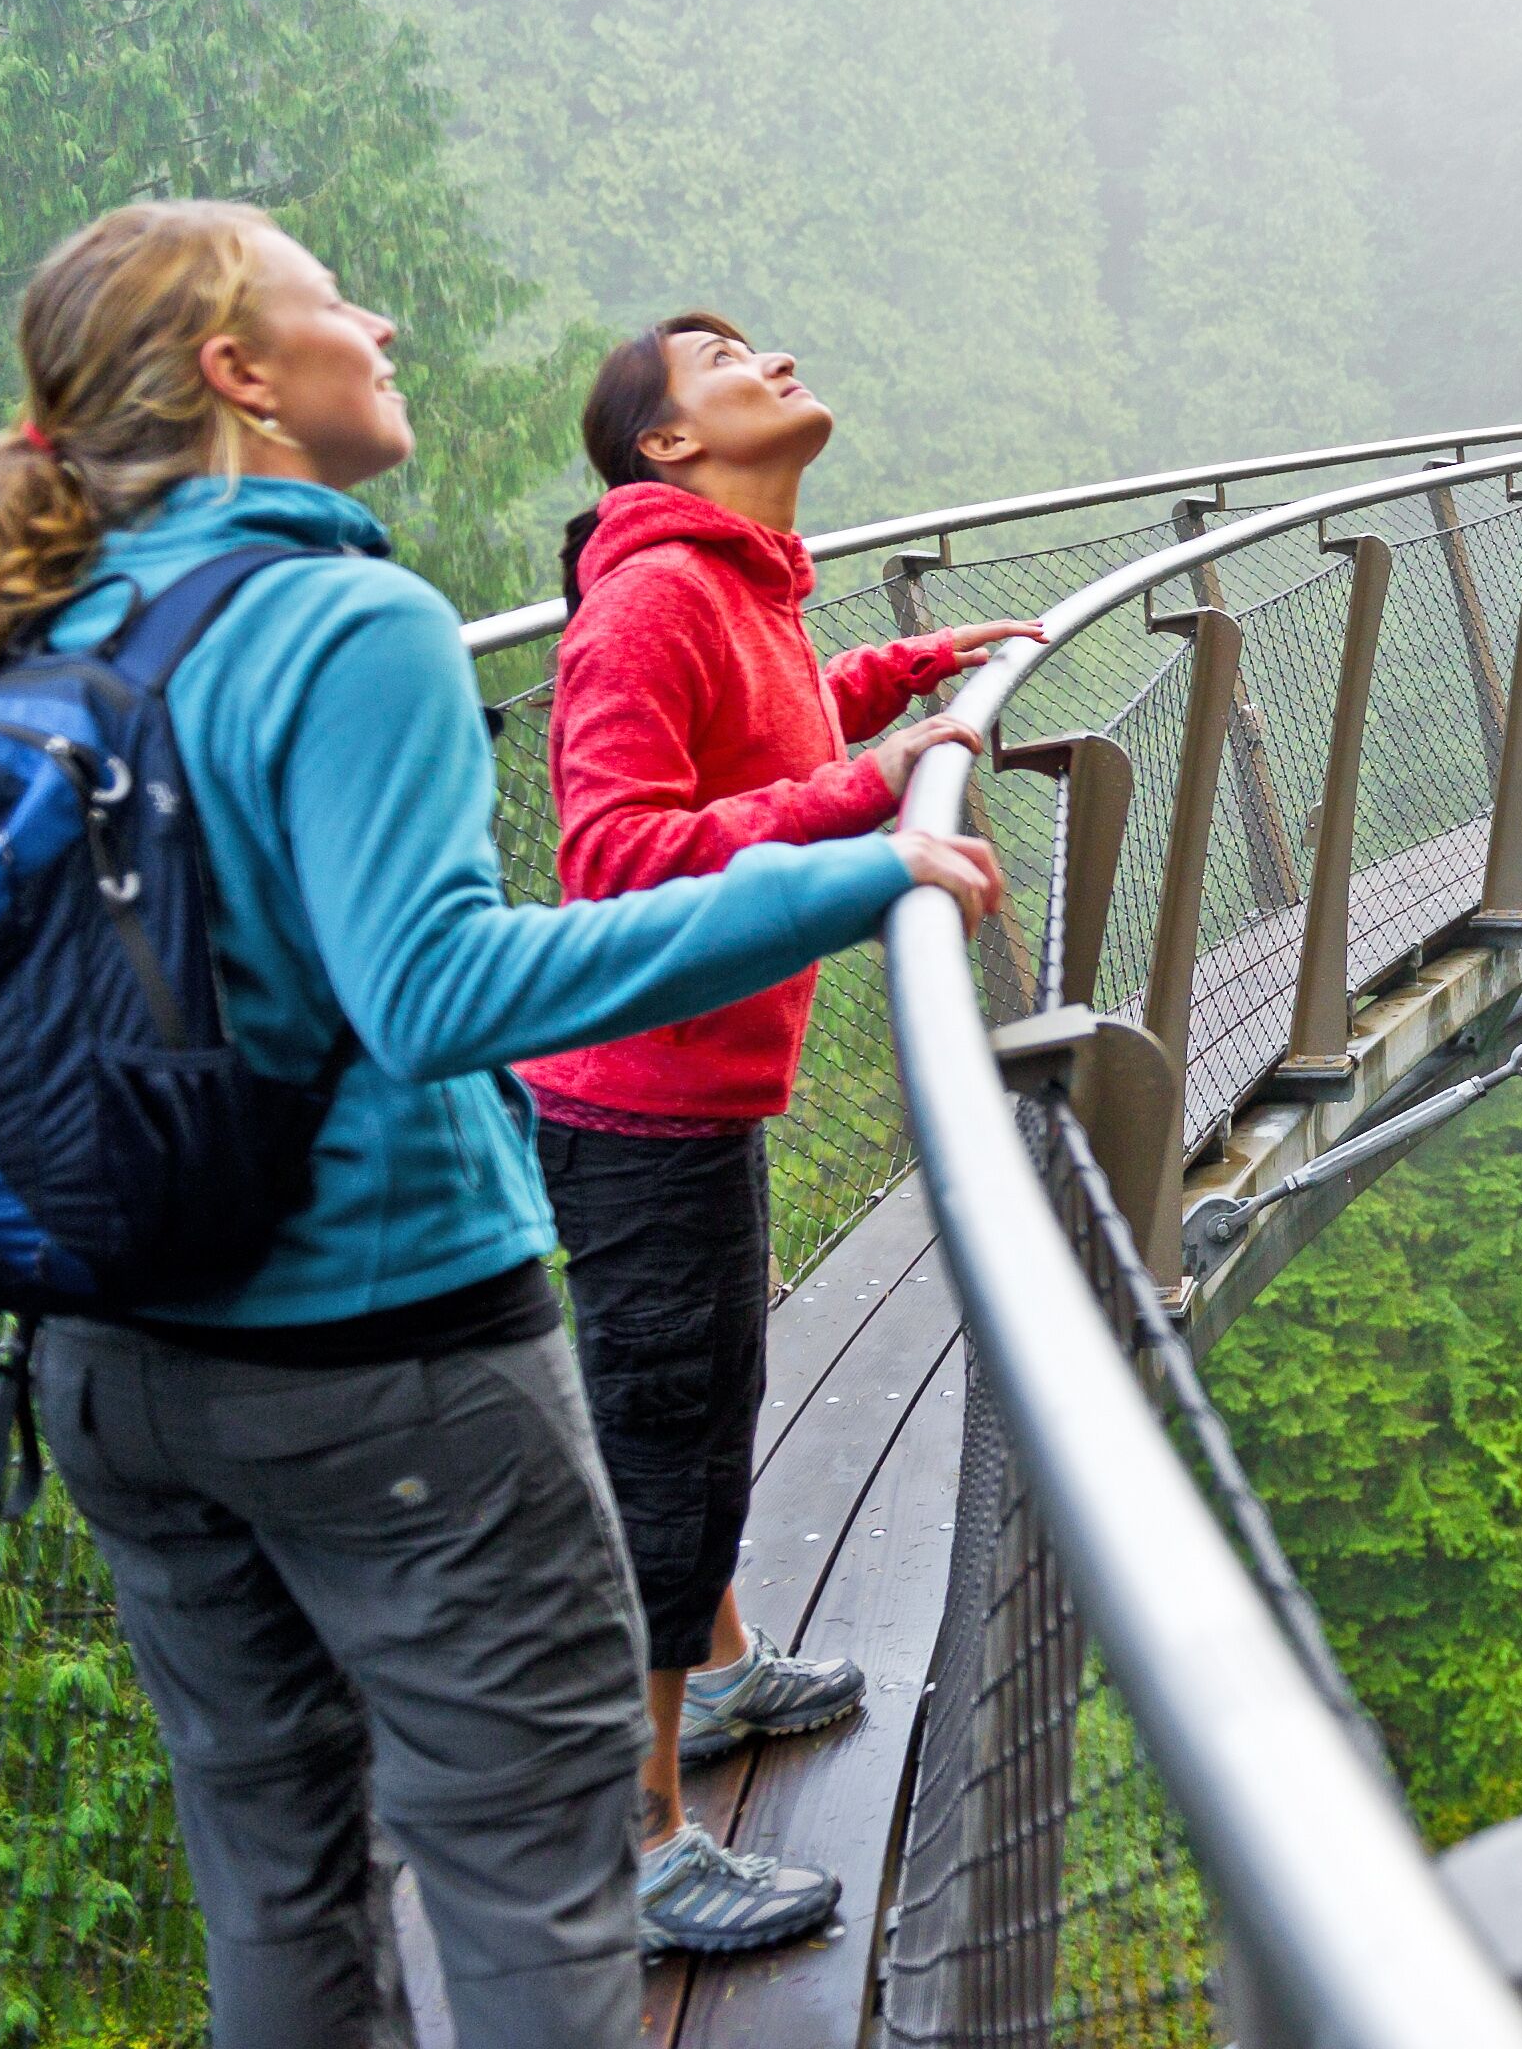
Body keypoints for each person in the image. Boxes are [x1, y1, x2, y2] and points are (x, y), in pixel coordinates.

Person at [0, 203, 1005, 2043]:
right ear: (243, 376)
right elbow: (440, 994)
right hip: (379, 1357)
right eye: (330, 304)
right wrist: (856, 875)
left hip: (99, 1359)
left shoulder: (41, 616)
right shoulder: (342, 618)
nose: (377, 322)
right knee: (543, 1884)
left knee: (280, 1885)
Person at [517, 314, 1037, 1947]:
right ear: (666, 442)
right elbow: (612, 857)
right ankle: (645, 1842)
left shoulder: (735, 578)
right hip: (638, 1098)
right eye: (726, 356)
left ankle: (724, 1680)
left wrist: (898, 683)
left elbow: (769, 724)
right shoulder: (656, 594)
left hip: (693, 1086)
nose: (776, 359)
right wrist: (868, 788)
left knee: (700, 1409)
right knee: (667, 1449)